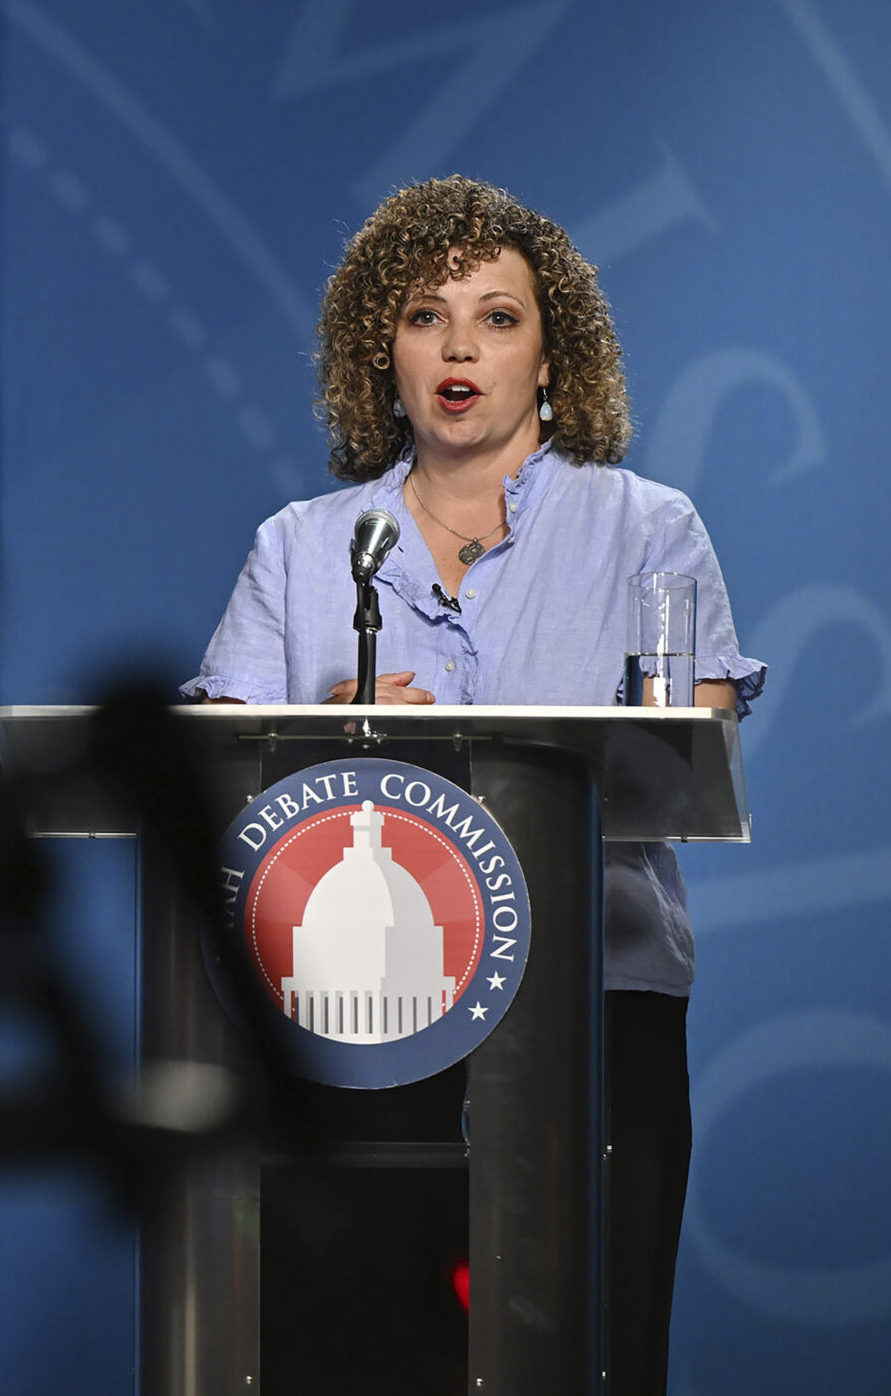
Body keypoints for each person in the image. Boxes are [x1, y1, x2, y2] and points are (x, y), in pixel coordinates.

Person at [184, 174, 763, 1393]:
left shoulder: (646, 531)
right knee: (365, 1361)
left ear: (551, 357)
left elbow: (689, 751)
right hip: (357, 1022)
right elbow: (215, 773)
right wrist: (319, 728)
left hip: (592, 1011)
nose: (458, 346)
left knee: (588, 1357)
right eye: (423, 315)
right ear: (376, 354)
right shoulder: (300, 548)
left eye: (496, 317)